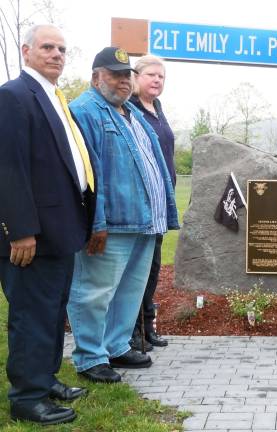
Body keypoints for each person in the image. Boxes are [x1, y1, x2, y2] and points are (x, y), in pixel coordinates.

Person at [66, 47, 179, 383]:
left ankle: (115, 345)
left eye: (125, 75)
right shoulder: (85, 111)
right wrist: (95, 222)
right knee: (95, 292)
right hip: (111, 224)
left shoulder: (132, 114)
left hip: (144, 223)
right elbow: (87, 174)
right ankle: (89, 356)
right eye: (114, 75)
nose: (123, 81)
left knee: (129, 292)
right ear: (96, 76)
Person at [0, 24, 92, 425]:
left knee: (53, 312)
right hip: (31, 236)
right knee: (32, 315)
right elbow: (8, 167)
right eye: (47, 47)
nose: (56, 54)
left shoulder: (55, 97)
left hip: (62, 230)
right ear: (26, 51)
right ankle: (27, 396)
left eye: (61, 49)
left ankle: (46, 378)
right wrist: (20, 229)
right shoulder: (14, 96)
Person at [129, 55, 176, 351]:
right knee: (135, 272)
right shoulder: (130, 110)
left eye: (161, 76)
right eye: (151, 75)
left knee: (152, 269)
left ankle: (148, 328)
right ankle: (132, 333)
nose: (157, 80)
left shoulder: (157, 109)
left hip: (161, 204)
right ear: (136, 77)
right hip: (140, 204)